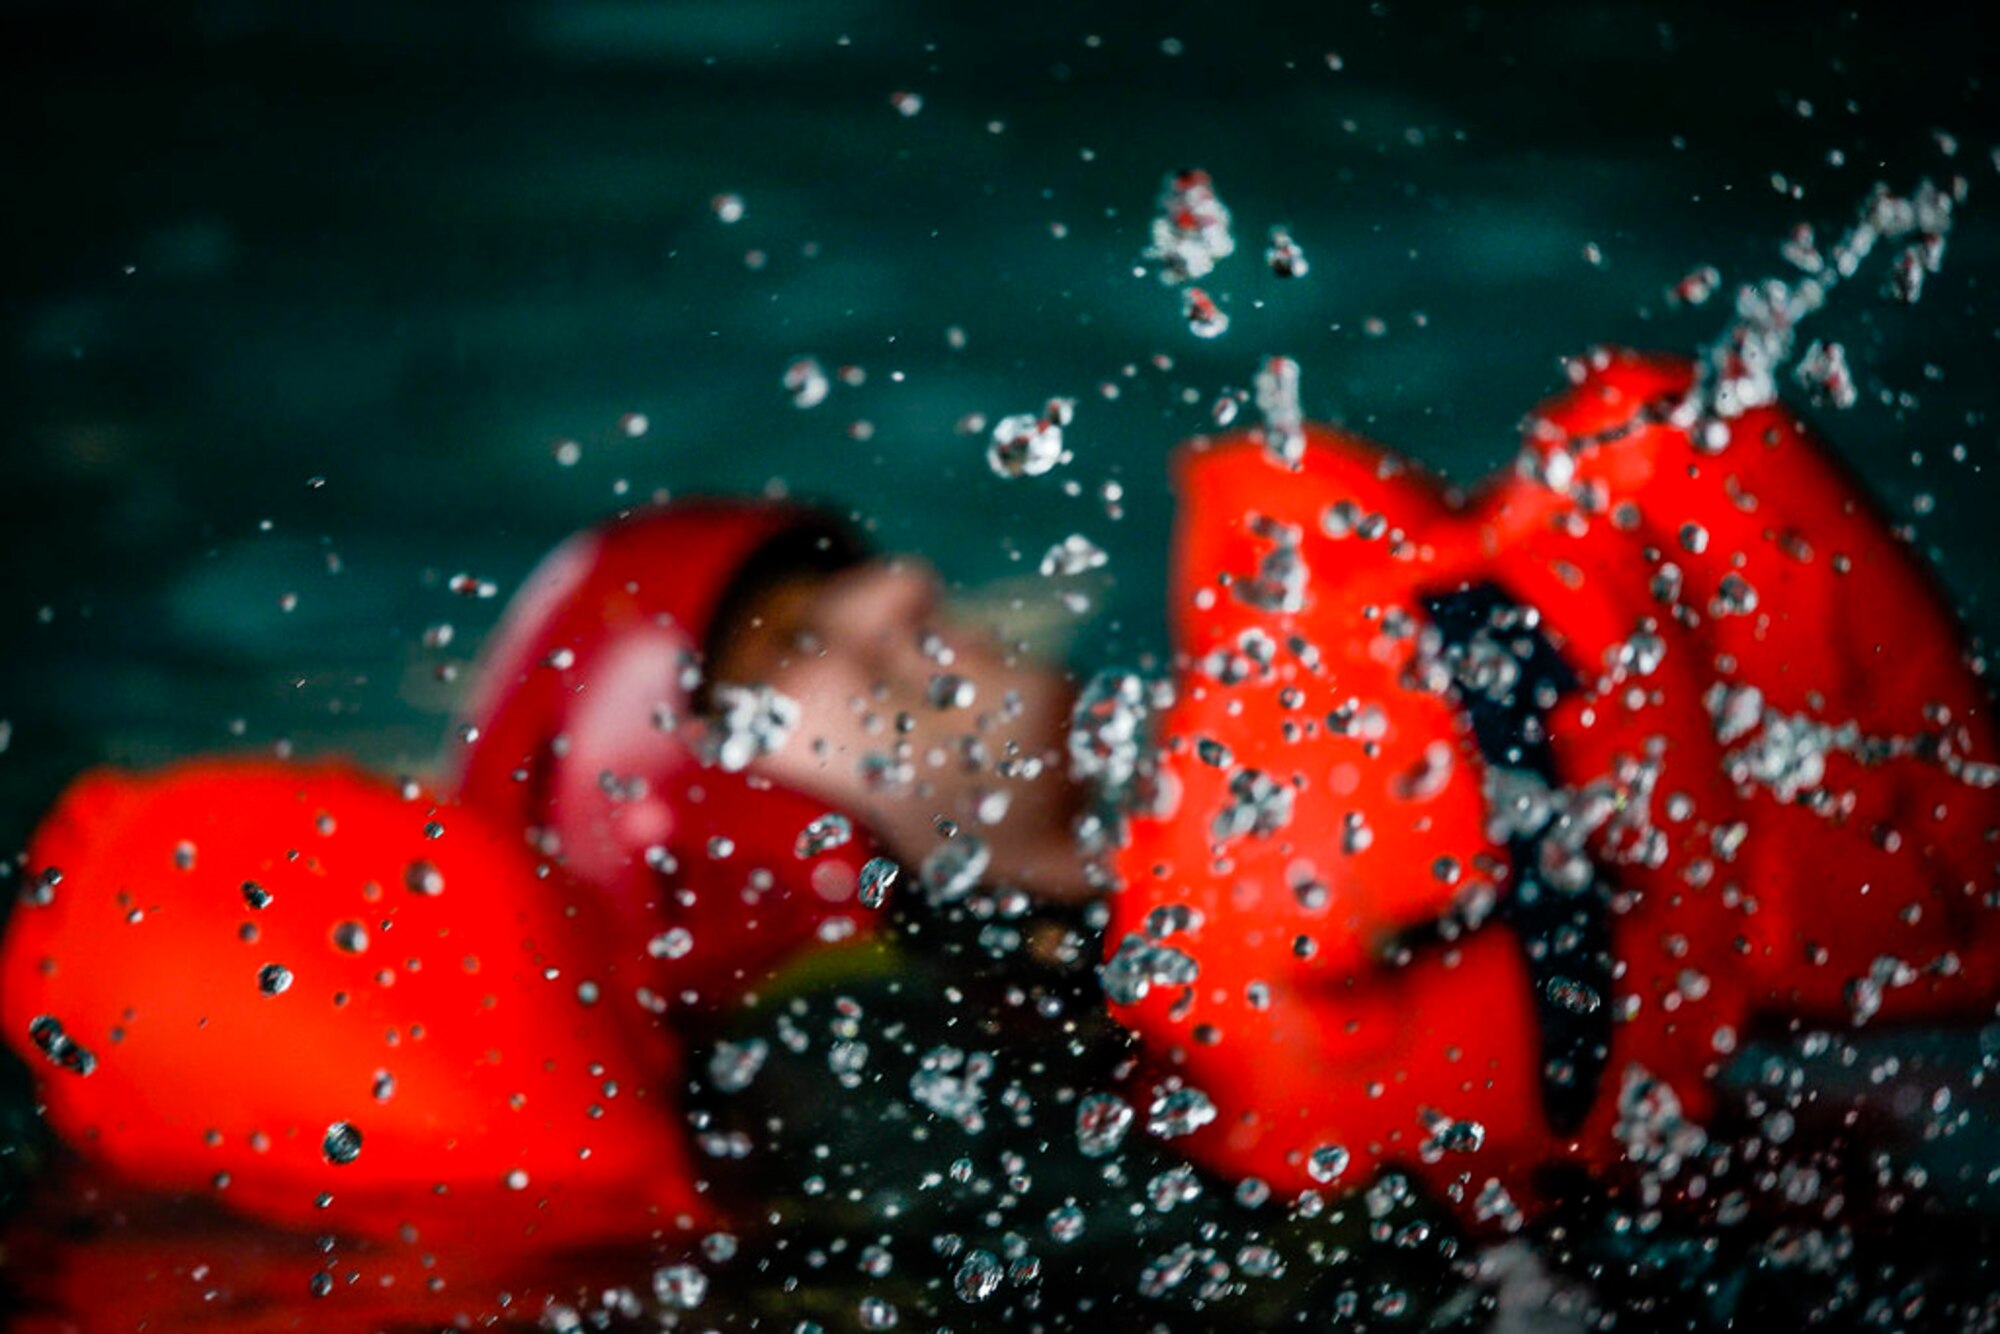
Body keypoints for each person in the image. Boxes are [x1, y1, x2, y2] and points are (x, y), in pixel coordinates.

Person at [5, 344, 1998, 1324]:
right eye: (783, 641)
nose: (893, 599)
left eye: (849, 571)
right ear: (708, 816)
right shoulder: (864, 1053)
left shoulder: (1235, 851)